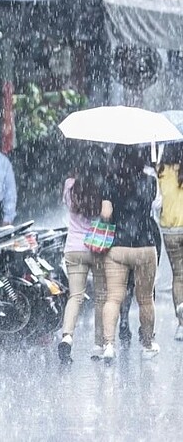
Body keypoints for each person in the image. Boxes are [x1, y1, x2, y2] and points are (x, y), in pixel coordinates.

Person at [99, 146, 159, 362]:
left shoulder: (111, 182)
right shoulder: (150, 182)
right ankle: (147, 344)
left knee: (113, 298)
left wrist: (110, 208)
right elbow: (151, 208)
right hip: (145, 245)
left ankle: (108, 345)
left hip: (118, 246)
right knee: (145, 299)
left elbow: (106, 215)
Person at [58, 152, 107, 363]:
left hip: (73, 247)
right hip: (97, 247)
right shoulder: (103, 187)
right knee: (100, 297)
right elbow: (106, 215)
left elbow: (68, 205)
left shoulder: (70, 184)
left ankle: (67, 337)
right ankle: (98, 345)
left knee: (75, 296)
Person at [157, 144, 183, 340]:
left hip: (170, 231)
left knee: (178, 276)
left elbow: (157, 202)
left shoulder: (161, 171)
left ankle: (181, 324)